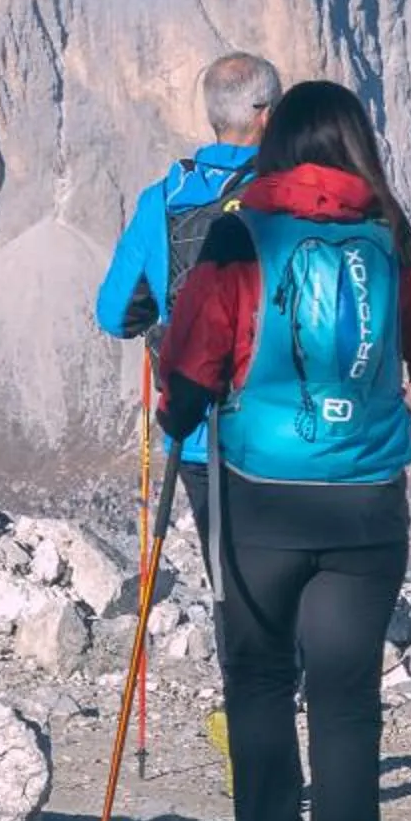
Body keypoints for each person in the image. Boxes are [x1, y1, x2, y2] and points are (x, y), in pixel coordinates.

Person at [158, 79, 411, 821]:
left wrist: (186, 407)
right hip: (367, 504)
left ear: (276, 142)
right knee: (348, 708)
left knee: (256, 673)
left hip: (258, 497)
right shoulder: (397, 241)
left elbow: (187, 373)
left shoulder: (237, 235)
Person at [94, 49, 280, 510]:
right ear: (267, 116)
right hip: (288, 435)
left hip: (200, 434)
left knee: (230, 576)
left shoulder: (161, 200)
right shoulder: (293, 193)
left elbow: (114, 315)